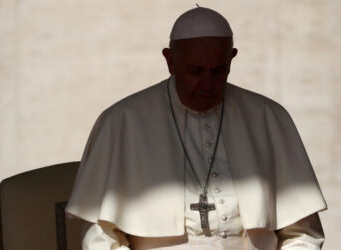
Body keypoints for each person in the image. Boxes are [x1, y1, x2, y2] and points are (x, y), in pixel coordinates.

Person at [65, 6, 327, 250]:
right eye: (195, 71)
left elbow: (301, 233)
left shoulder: (269, 118)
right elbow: (100, 236)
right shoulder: (122, 122)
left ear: (232, 59)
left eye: (218, 71)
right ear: (170, 61)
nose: (207, 84)